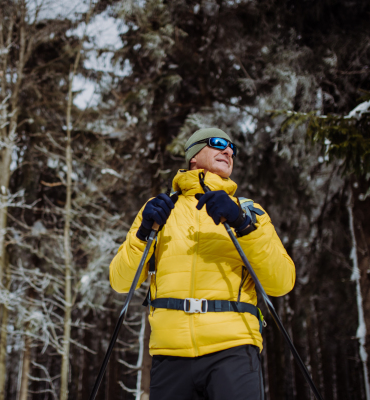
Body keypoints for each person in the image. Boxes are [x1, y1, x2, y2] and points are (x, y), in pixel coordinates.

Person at [109, 128, 295, 400]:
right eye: (219, 143)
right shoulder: (160, 209)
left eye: (232, 148)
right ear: (193, 156)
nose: (229, 151)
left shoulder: (250, 212)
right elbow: (120, 281)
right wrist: (143, 233)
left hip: (233, 350)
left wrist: (243, 225)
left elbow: (281, 283)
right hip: (170, 357)